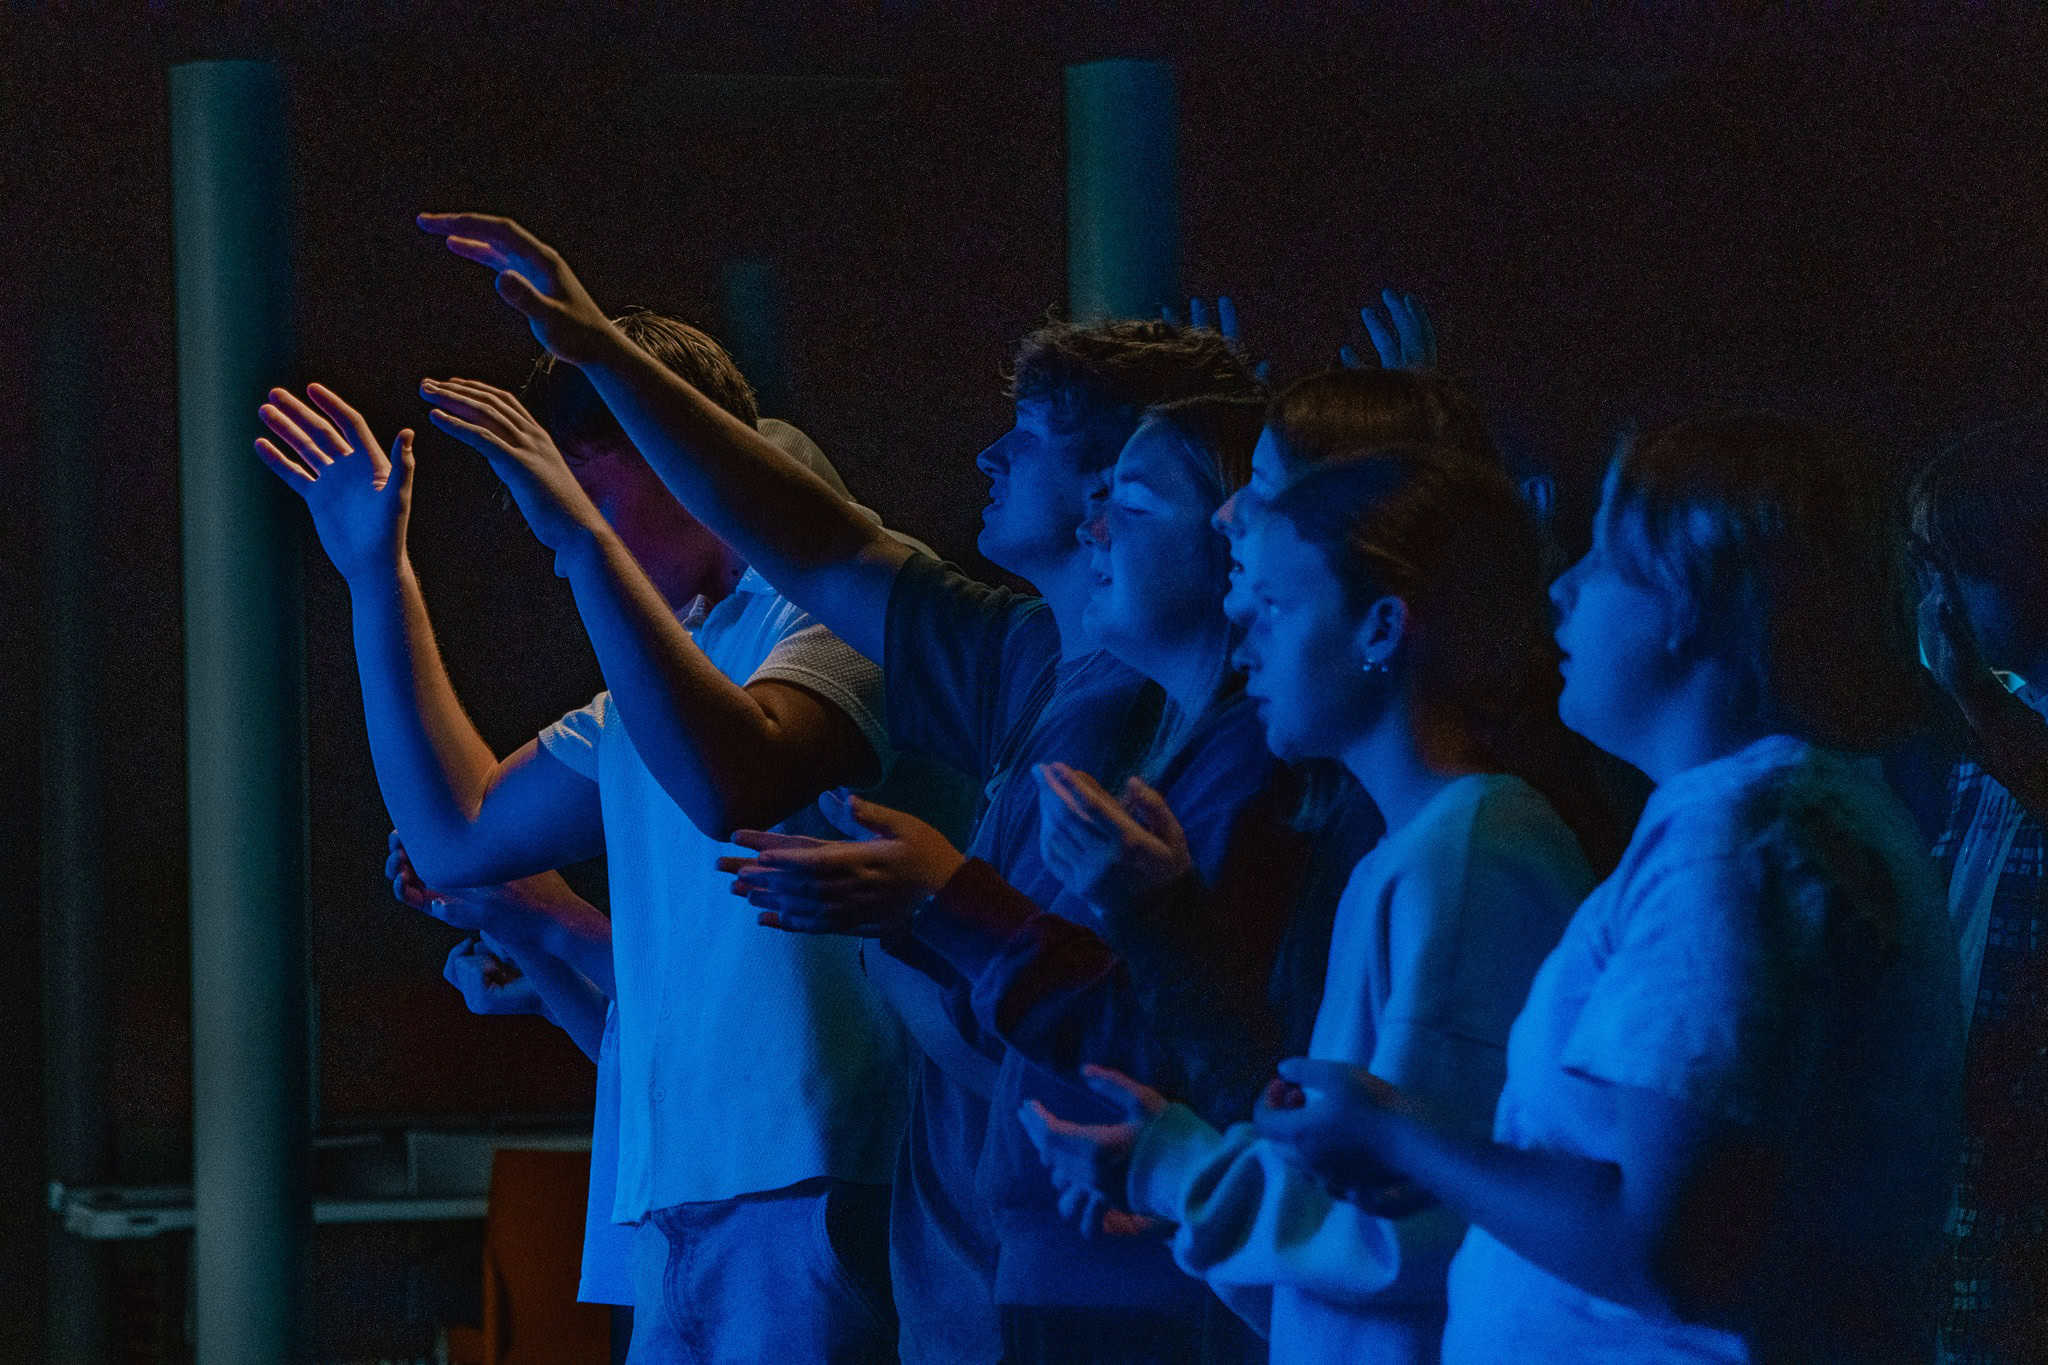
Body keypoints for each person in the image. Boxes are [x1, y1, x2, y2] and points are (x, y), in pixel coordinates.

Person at [415, 207, 1265, 1364]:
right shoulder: (1022, 656)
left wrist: (941, 902)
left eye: (1027, 439)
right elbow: (820, 536)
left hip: (1119, 1268)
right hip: (1002, 1241)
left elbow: (1186, 1044)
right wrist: (592, 363)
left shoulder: (1221, 742)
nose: (986, 456)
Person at [254, 313, 914, 1362]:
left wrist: (582, 543)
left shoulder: (829, 610)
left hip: (817, 1168)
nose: (570, 541)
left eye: (593, 496)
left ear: (682, 453)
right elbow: (456, 836)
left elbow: (727, 780)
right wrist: (376, 571)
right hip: (677, 1193)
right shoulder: (655, 676)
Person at [1254, 414, 1962, 1362]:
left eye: (1600, 558)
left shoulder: (1741, 834)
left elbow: (1665, 1249)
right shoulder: (1781, 814)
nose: (1559, 591)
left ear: (1686, 593)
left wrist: (1394, 1133)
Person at [730, 394, 1304, 1360]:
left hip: (1141, 1274)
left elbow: (1138, 1047)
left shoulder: (1231, 757)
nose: (1095, 525)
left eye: (1131, 496)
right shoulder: (1155, 725)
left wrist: (937, 904)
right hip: (1064, 1259)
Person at [1021, 451, 1595, 1362]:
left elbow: (1404, 1232)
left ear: (1381, 626)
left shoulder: (1472, 852)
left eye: (1278, 606)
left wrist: (1177, 1172)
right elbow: (1342, 1255)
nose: (1243, 635)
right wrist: (1178, 1167)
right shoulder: (1412, 852)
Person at [1909, 415, 2048, 1363]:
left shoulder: (2003, 730)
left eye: (1950, 560)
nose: (1932, 595)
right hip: (1954, 1187)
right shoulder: (1982, 741)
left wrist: (1969, 694)